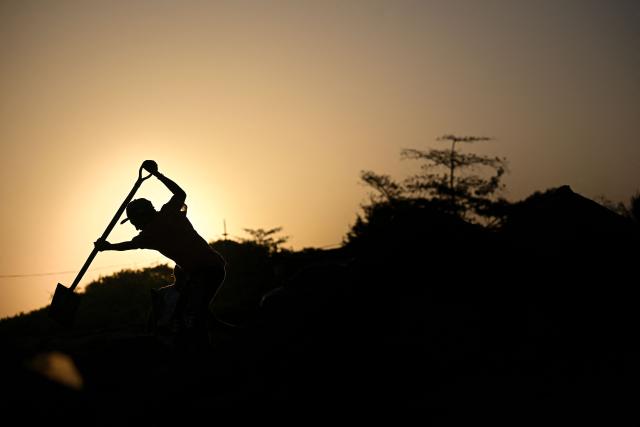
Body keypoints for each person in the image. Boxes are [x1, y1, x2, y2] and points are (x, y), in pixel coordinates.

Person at [95, 160, 226, 350]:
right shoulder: (168, 213)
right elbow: (180, 194)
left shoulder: (150, 233)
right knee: (187, 312)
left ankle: (202, 355)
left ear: (141, 216)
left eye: (133, 221)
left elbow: (128, 245)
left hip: (206, 272)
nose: (133, 225)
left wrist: (107, 247)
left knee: (192, 316)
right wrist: (157, 175)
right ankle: (203, 342)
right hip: (203, 272)